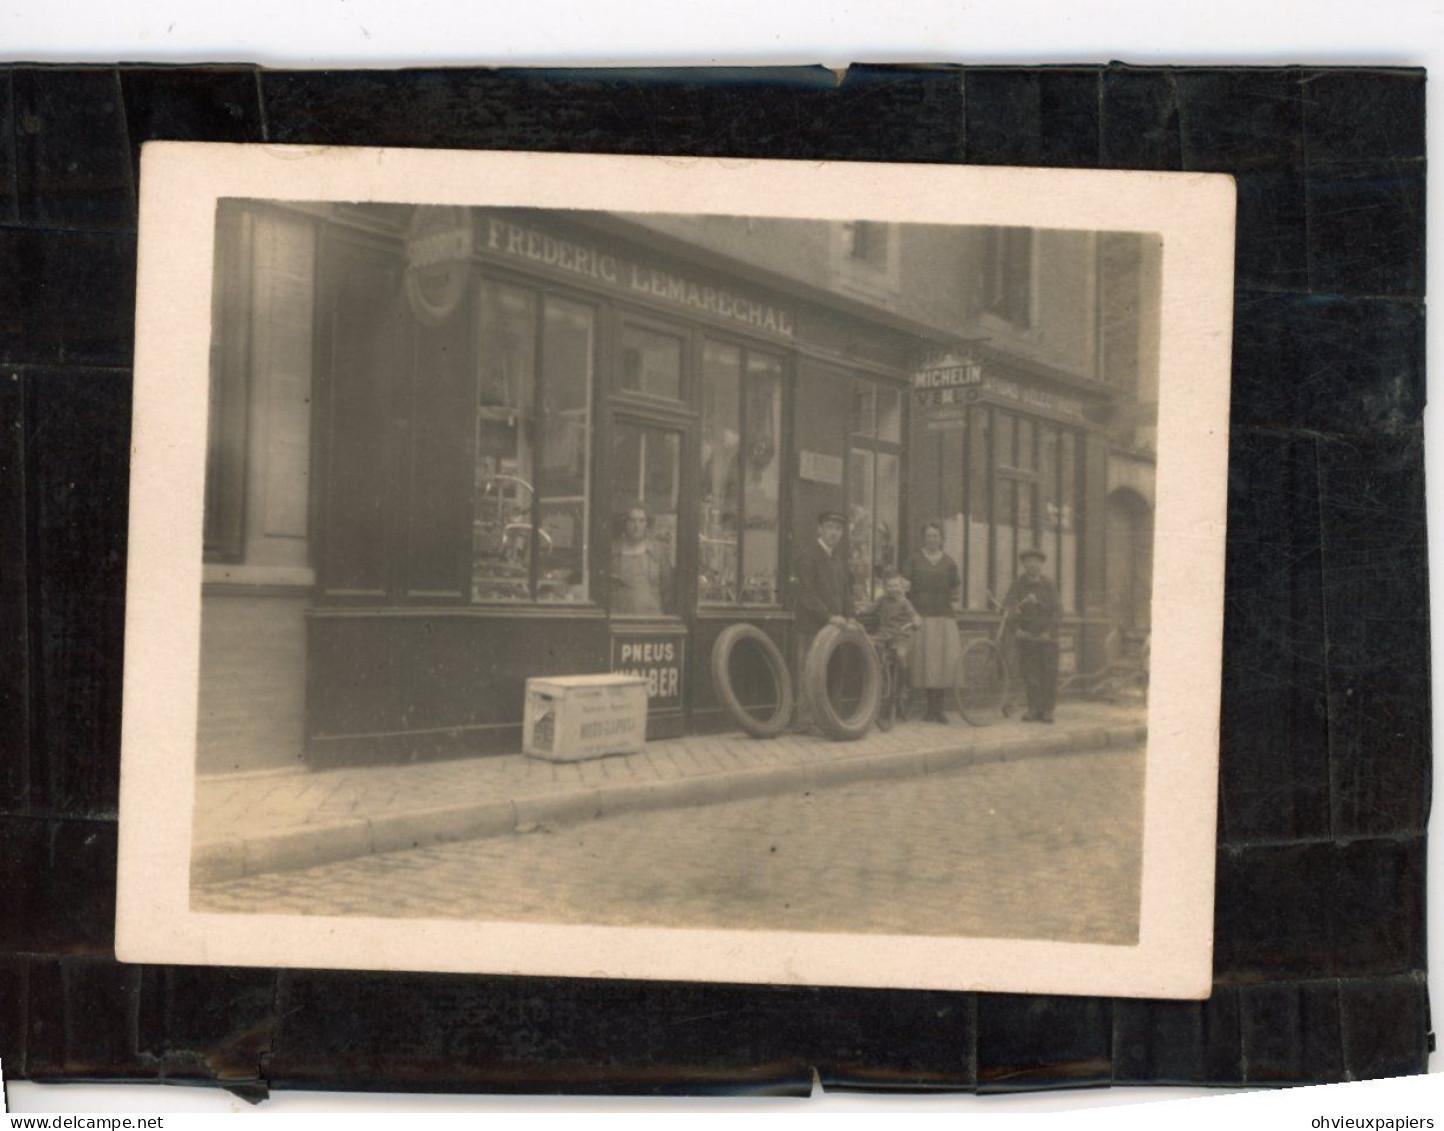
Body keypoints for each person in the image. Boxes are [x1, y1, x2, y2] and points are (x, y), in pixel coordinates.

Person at [790, 509, 855, 732]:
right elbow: (806, 593)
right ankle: (806, 722)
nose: (834, 533)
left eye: (838, 529)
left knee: (833, 672)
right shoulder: (808, 556)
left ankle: (829, 720)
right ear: (820, 529)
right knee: (811, 673)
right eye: (829, 528)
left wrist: (850, 617)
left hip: (836, 629)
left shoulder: (837, 559)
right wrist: (828, 616)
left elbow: (846, 592)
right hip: (812, 627)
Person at [903, 522, 963, 723]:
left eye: (936, 536)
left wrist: (945, 598)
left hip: (944, 617)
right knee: (926, 661)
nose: (932, 540)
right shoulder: (914, 559)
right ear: (924, 538)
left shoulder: (949, 562)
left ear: (941, 539)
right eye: (928, 536)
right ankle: (929, 708)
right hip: (922, 616)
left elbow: (955, 591)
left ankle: (939, 708)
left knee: (943, 661)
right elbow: (904, 585)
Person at [1004, 546, 1061, 723]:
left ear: (1041, 565)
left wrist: (1049, 632)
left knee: (1048, 674)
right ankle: (1033, 709)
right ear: (1023, 565)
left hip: (1047, 637)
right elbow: (1009, 607)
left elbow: (1058, 611)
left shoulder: (1049, 584)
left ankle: (1048, 710)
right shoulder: (1018, 584)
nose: (1032, 566)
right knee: (1030, 674)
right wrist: (1016, 630)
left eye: (1036, 563)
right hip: (1027, 636)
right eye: (1029, 563)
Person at [610, 504, 671, 615]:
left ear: (646, 524)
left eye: (641, 521)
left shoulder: (658, 551)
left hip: (652, 617)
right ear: (625, 523)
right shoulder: (613, 552)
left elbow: (667, 588)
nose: (637, 526)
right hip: (620, 618)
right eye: (632, 521)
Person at [873, 568, 922, 685]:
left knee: (901, 655)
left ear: (901, 587)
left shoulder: (904, 602)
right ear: (885, 588)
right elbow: (870, 608)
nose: (893, 589)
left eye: (896, 586)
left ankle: (902, 687)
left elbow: (914, 615)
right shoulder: (882, 600)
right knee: (871, 648)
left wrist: (914, 622)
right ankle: (879, 680)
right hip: (883, 635)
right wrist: (858, 610)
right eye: (890, 586)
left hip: (901, 636)